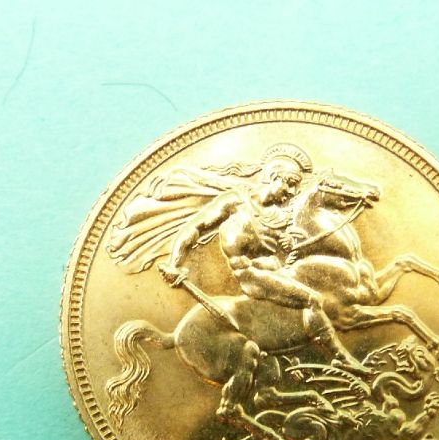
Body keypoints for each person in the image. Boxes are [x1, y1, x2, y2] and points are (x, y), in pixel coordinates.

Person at [156, 144, 369, 374]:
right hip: (252, 276)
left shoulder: (280, 215)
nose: (291, 192)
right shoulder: (235, 203)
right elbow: (195, 228)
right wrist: (174, 263)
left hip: (279, 272)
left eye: (295, 186)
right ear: (274, 177)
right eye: (289, 184)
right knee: (312, 299)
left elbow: (286, 251)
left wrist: (291, 245)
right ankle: (341, 358)